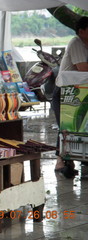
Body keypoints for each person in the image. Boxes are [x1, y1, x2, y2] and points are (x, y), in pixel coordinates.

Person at [52, 16, 88, 176]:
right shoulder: (76, 43)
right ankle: (61, 161)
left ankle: (76, 158)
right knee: (66, 127)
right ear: (82, 31)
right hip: (65, 92)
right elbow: (83, 68)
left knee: (80, 126)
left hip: (81, 92)